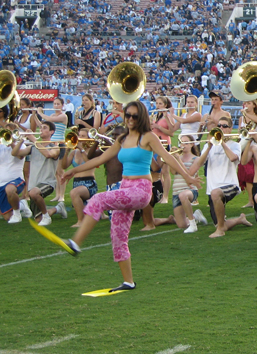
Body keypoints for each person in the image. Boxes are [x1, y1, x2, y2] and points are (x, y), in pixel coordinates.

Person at [57, 101, 200, 291]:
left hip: (141, 190)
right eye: (128, 115)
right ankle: (128, 282)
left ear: (140, 117)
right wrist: (72, 172)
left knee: (98, 199)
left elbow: (168, 157)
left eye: (134, 116)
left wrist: (188, 176)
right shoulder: (122, 139)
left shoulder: (148, 137)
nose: (130, 119)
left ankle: (76, 242)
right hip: (125, 187)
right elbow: (100, 159)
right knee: (118, 236)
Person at [190, 115, 252, 238]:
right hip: (213, 188)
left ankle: (220, 231)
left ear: (230, 129)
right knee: (219, 223)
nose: (221, 128)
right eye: (219, 126)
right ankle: (239, 220)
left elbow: (234, 158)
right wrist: (208, 147)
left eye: (224, 126)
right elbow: (199, 163)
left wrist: (222, 142)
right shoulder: (210, 146)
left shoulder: (235, 145)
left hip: (230, 185)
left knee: (216, 194)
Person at [153, 134, 206, 233]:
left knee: (184, 195)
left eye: (186, 142)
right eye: (181, 142)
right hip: (176, 192)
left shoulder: (196, 159)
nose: (183, 145)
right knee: (181, 225)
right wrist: (171, 157)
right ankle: (195, 216)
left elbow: (190, 173)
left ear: (192, 144)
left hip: (190, 190)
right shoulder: (178, 157)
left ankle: (193, 225)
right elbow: (173, 172)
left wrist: (178, 160)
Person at [0, 123, 30, 223]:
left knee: (9, 189)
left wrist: (12, 143)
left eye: (9, 132)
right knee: (7, 217)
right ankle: (22, 204)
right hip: (1, 184)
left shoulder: (21, 145)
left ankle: (17, 214)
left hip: (16, 179)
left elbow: (18, 156)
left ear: (15, 133)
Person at [24, 122, 66, 226]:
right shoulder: (33, 147)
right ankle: (57, 208)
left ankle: (46, 217)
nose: (41, 130)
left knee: (33, 193)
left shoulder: (55, 147)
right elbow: (15, 153)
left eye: (44, 128)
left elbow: (48, 154)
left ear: (51, 132)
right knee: (38, 219)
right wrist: (20, 140)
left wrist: (33, 139)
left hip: (47, 182)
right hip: (34, 184)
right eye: (40, 128)